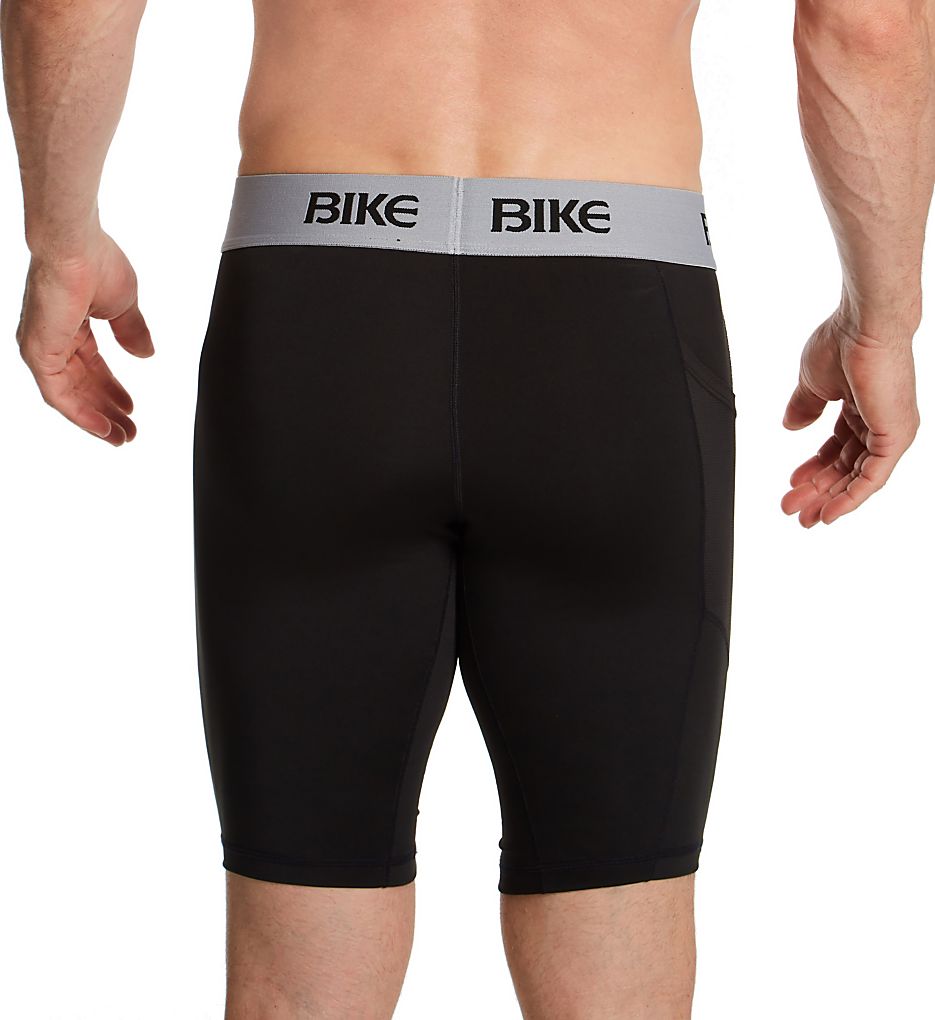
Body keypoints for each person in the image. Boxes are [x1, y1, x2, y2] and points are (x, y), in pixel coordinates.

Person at [3, 0, 931, 1016]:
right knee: (615, 908)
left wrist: (61, 240)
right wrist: (878, 321)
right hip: (611, 323)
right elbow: (869, 22)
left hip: (319, 300)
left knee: (298, 959)